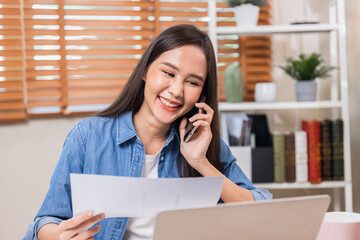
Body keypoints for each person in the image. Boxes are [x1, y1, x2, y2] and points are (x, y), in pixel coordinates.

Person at [23, 24, 272, 240]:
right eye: (168, 72)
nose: (176, 90)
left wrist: (200, 163)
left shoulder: (202, 144)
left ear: (202, 96)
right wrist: (60, 235)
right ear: (144, 71)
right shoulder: (88, 136)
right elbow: (46, 220)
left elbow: (260, 211)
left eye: (192, 82)